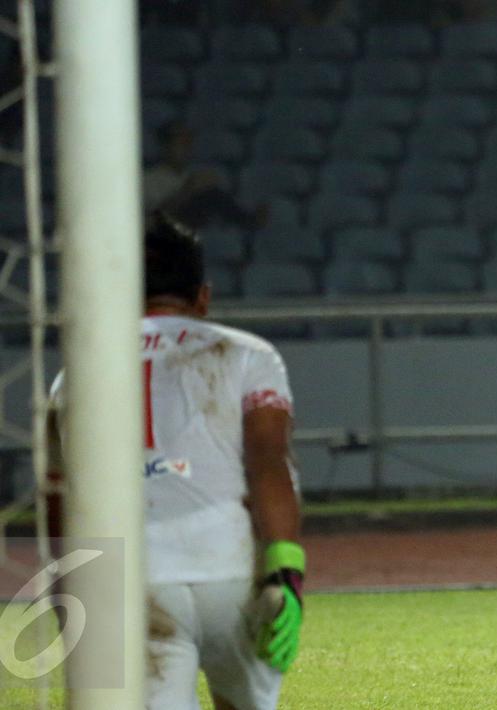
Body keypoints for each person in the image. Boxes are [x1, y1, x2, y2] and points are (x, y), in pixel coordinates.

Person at [47, 213, 305, 709]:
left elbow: (61, 493)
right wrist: (286, 570)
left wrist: (68, 591)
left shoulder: (74, 375)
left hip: (140, 575)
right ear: (202, 296)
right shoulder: (249, 355)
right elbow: (268, 461)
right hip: (232, 569)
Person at [143, 122, 266, 232]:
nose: (186, 148)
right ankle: (249, 221)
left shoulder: (192, 175)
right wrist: (189, 189)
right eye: (180, 142)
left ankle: (248, 221)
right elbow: (153, 220)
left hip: (192, 239)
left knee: (211, 193)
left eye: (188, 142)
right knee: (209, 194)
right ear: (165, 146)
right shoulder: (150, 179)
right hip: (163, 238)